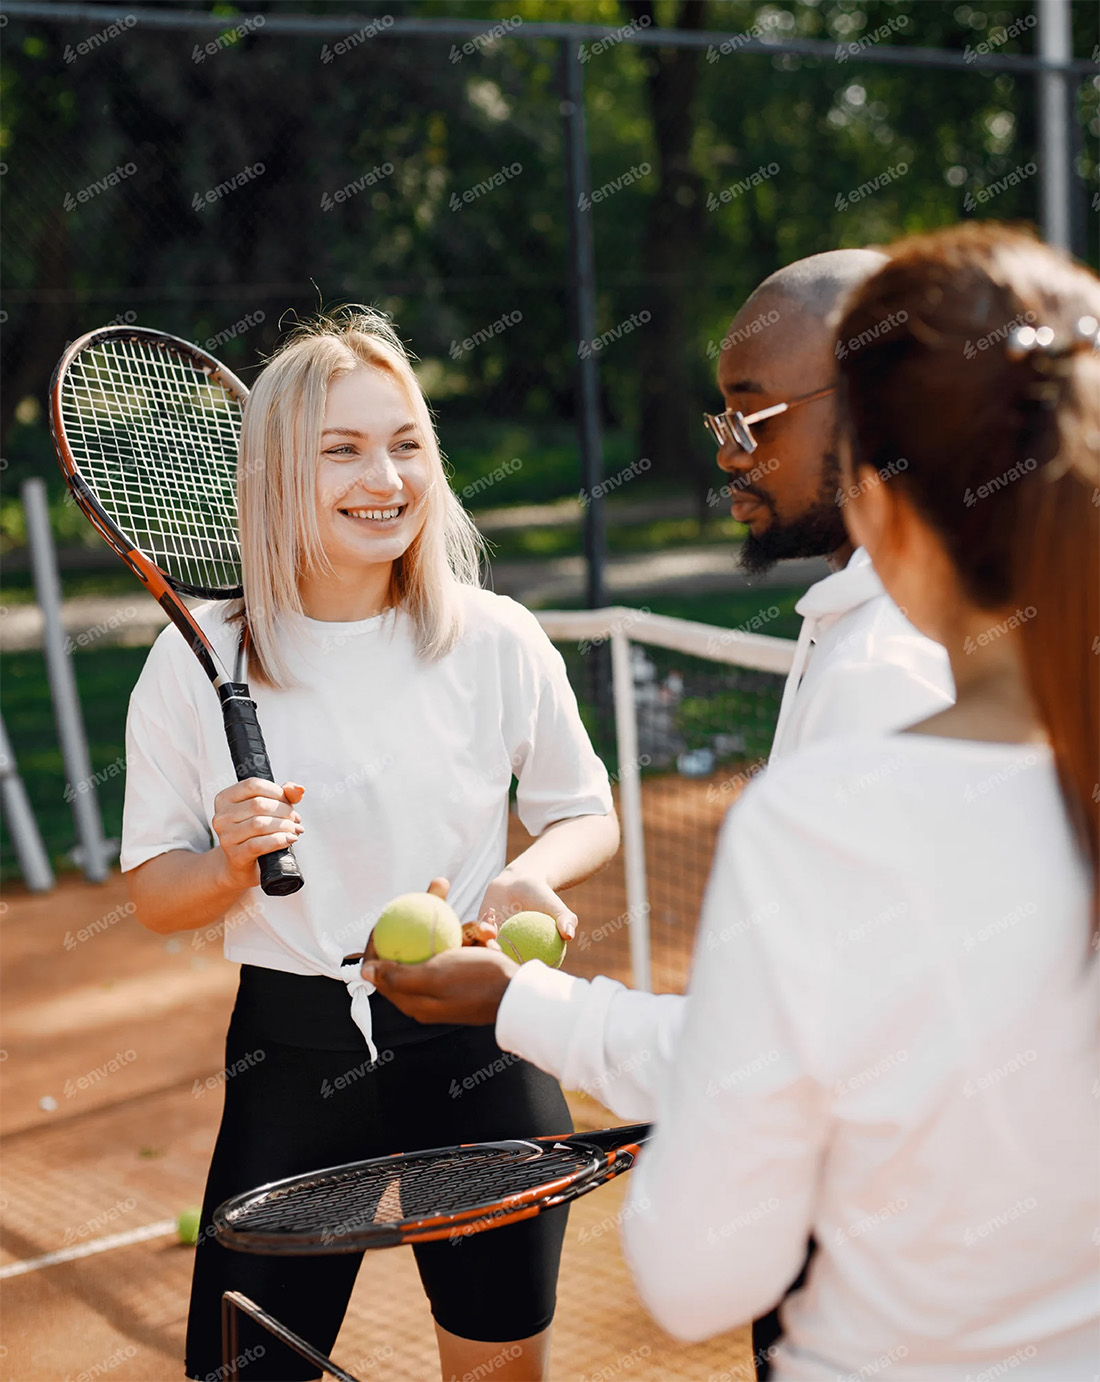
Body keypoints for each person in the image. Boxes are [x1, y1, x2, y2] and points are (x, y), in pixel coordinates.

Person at [617, 224, 1099, 1376]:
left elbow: (698, 1274)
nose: (729, 446)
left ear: (876, 498)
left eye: (753, 415)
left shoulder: (823, 822)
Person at [120, 309, 619, 1382]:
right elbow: (156, 891)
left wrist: (531, 867)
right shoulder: (192, 661)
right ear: (273, 474)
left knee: (495, 1367)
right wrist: (222, 866)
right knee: (245, 1369)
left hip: (482, 1043)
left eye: (405, 444)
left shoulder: (495, 636)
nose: (381, 476)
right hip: (291, 1055)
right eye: (338, 449)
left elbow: (586, 807)